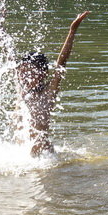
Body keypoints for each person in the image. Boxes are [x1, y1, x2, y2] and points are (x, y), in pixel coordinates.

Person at [16, 11, 90, 156]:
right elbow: (8, 54)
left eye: (30, 72)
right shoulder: (21, 90)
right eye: (22, 72)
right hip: (21, 156)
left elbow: (62, 63)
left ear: (43, 73)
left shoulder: (48, 92)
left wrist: (72, 30)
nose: (25, 76)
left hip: (44, 156)